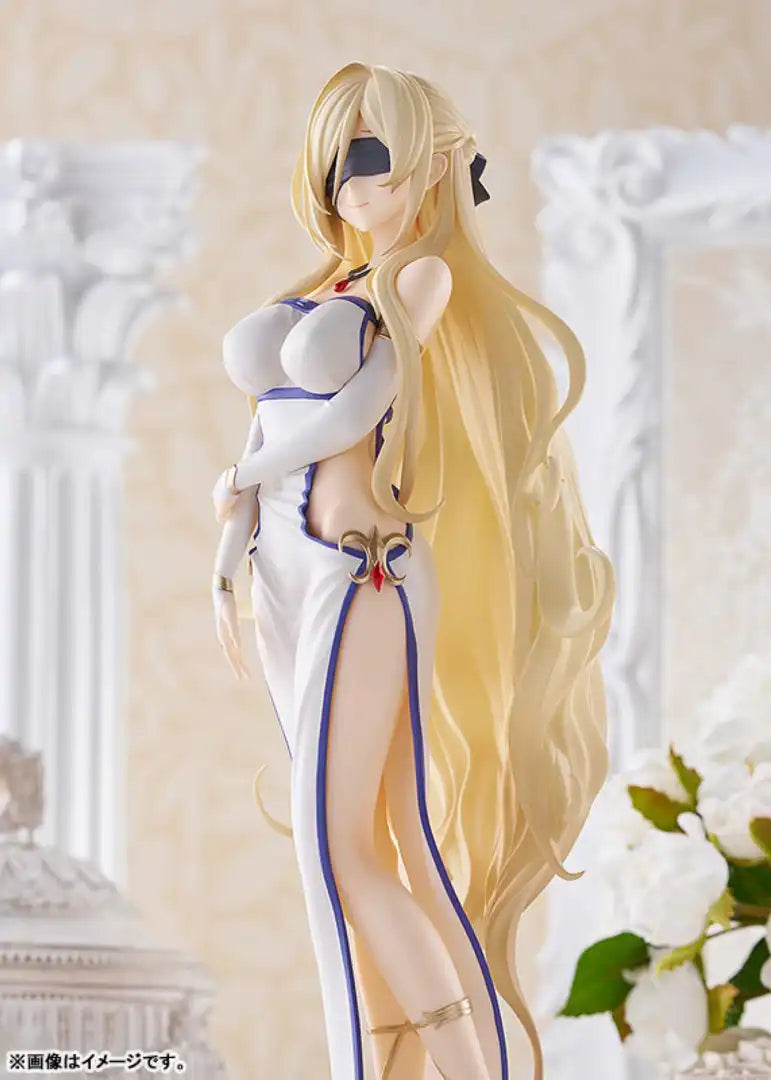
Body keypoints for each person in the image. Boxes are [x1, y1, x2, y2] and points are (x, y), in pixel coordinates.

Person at [210, 61, 615, 1080]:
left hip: (364, 576)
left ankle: (459, 1068)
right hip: (284, 574)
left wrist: (242, 476)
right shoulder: (325, 289)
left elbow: (354, 412)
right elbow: (270, 417)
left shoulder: (420, 279)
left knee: (346, 847)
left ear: (432, 166)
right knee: (378, 845)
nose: (350, 185)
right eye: (336, 163)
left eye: (372, 158)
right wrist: (229, 549)